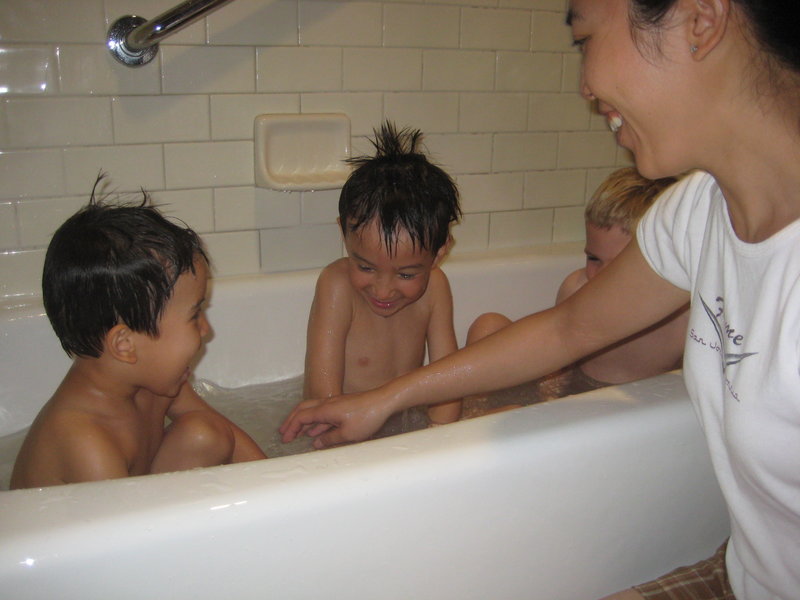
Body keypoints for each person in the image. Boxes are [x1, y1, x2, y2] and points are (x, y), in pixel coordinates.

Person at [281, 0, 800, 597]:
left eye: (584, 38)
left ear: (699, 23)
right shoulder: (698, 210)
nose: (584, 86)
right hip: (742, 571)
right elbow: (567, 329)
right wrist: (381, 400)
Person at [11, 179, 266, 489]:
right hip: (85, 531)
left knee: (206, 433)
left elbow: (228, 437)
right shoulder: (84, 439)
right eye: (195, 314)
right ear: (125, 344)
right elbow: (117, 535)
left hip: (131, 507)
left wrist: (278, 487)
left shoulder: (154, 379)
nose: (206, 330)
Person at [281, 121, 463, 435]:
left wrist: (438, 436)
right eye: (365, 267)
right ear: (344, 233)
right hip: (341, 430)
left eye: (406, 273)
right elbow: (322, 399)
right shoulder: (337, 285)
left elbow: (448, 380)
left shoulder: (436, 287)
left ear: (440, 251)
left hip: (404, 424)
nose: (383, 289)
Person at [462, 167, 687, 418]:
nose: (600, 277)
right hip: (569, 397)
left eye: (619, 266)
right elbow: (559, 365)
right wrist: (546, 402)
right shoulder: (576, 287)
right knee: (488, 325)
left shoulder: (679, 316)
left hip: (628, 414)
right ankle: (472, 419)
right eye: (593, 258)